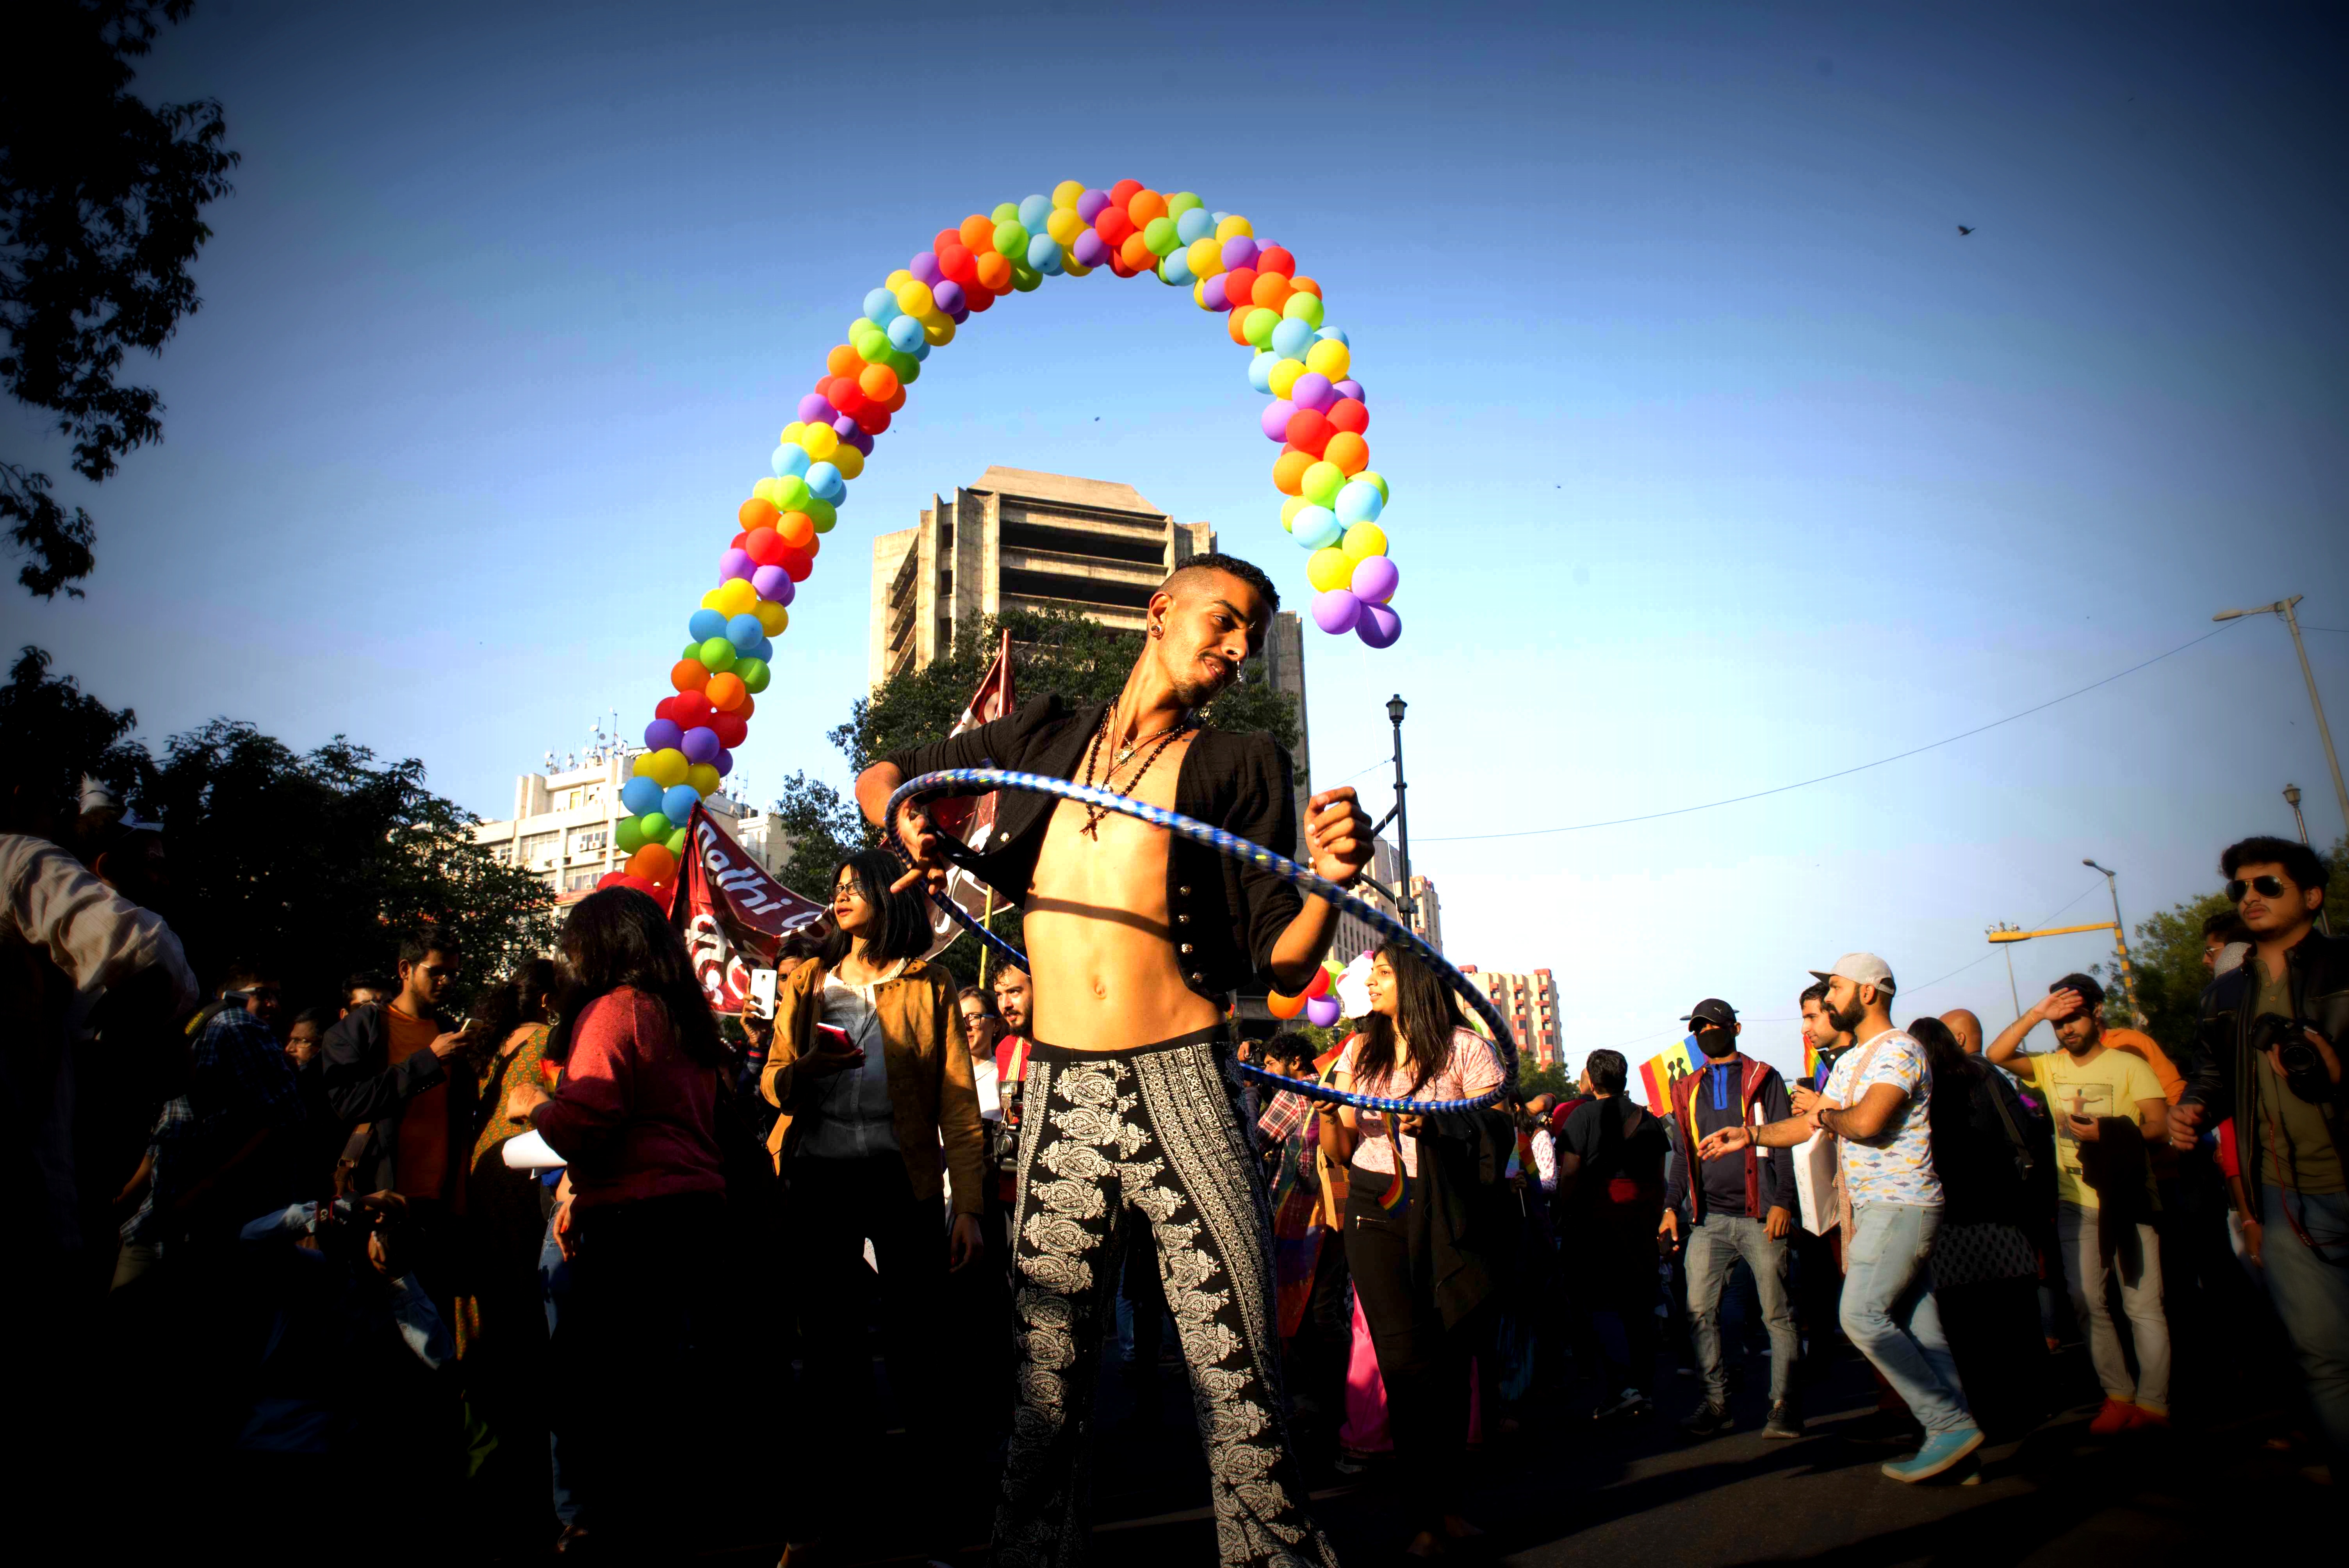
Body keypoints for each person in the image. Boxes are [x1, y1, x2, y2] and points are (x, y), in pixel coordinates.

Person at [859, 552, 1368, 1568]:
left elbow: (1280, 964)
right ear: (1159, 611)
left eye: (1254, 637)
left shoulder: (1244, 765)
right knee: (1044, 1383)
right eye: (1225, 622)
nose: (1237, 649)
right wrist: (901, 816)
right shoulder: (1044, 735)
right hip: (1059, 1090)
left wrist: (1327, 885)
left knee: (1238, 1375)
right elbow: (888, 772)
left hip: (1185, 1071)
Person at [759, 849, 986, 1561]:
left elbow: (958, 1098)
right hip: (819, 1181)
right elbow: (770, 1082)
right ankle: (842, 1516)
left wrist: (969, 1207)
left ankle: (938, 1521)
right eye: (838, 887)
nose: (843, 896)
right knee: (831, 1356)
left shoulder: (932, 983)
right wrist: (805, 1069)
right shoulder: (805, 981)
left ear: (890, 901)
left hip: (903, 1181)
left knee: (922, 1354)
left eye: (858, 885)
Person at [506, 887, 728, 1556]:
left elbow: (590, 1120)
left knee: (599, 1392)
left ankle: (599, 1526)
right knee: (664, 1387)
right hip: (693, 1214)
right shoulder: (685, 1019)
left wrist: (537, 1105)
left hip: (634, 1226)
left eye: (574, 945)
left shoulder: (613, 1011)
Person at [1703, 954, 1981, 1482]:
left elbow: (1868, 1121)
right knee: (1925, 1331)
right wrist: (1751, 1135)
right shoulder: (1853, 1060)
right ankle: (1960, 1448)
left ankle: (1947, 1425)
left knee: (1860, 1316)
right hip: (1879, 1207)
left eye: (1835, 988)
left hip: (1902, 1204)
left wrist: (1826, 1115)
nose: (1827, 1000)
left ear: (1869, 993)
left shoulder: (1899, 1050)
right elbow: (1808, 1125)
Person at [1317, 946, 1507, 1558]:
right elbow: (1343, 1148)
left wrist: (1442, 1126)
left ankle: (1449, 1508)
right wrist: (1327, 1117)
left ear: (1418, 981)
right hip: (1376, 1209)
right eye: (1369, 976)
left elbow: (1499, 1129)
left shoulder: (1468, 1048)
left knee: (1451, 1362)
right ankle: (1424, 1517)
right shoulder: (1356, 1051)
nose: (1369, 983)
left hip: (1447, 1208)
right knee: (1404, 1365)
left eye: (1384, 974)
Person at [2173, 836, 2348, 1466]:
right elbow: (2212, 1077)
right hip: (2284, 1195)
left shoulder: (2344, 969)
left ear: (2311, 896)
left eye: (2266, 885)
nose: (2249, 897)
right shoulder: (2224, 997)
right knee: (2321, 1354)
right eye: (2239, 889)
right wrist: (2191, 1108)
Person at [1985, 974, 2172, 1432]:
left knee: (2142, 1305)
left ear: (2096, 1015)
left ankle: (2153, 1404)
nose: (2066, 1029)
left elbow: (2159, 1126)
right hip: (2075, 1201)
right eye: (2059, 1022)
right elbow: (1996, 1056)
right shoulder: (2050, 1066)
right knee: (2086, 1300)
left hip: (2129, 1199)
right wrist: (2035, 1013)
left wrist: (2109, 1131)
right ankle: (2117, 1394)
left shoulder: (2129, 1065)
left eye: (2074, 1018)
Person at [1663, 998, 1800, 1440]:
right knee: (1699, 1310)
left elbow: (1785, 1141)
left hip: (1760, 1214)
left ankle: (1783, 1406)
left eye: (1711, 1026)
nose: (1704, 1034)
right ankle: (1717, 1402)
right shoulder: (1687, 1087)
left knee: (1777, 1314)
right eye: (1697, 1028)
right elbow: (1684, 1153)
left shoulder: (1763, 1077)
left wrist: (1783, 1201)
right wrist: (1671, 1205)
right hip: (1709, 1219)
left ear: (1734, 1028)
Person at [320, 934, 476, 1309]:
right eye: (436, 972)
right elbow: (348, 1103)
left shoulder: (449, 1030)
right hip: (378, 1202)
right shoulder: (361, 1028)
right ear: (405, 970)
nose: (447, 982)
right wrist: (428, 1060)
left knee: (431, 1331)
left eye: (453, 974)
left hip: (437, 1210)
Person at [1912, 1015, 2048, 1438]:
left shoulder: (1921, 1091)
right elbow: (2022, 1130)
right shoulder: (1985, 1075)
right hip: (2002, 1215)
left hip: (1950, 1224)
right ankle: (2033, 1404)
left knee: (1966, 1325)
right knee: (2014, 1315)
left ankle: (1984, 1411)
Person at [1558, 1048, 1670, 1422]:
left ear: (1591, 1078)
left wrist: (1564, 1208)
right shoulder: (1649, 1121)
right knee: (1638, 1307)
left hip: (1597, 1221)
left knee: (1603, 1304)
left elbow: (1571, 1173)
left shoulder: (1581, 1117)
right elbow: (1659, 1177)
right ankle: (1644, 1389)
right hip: (1639, 1222)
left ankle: (1624, 1388)